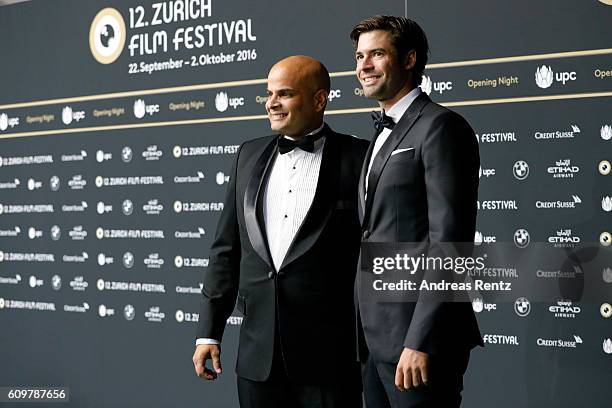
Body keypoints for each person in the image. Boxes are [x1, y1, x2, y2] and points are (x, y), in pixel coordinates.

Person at [192, 55, 368, 408]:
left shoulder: (360, 157)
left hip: (330, 360)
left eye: (284, 94)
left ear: (319, 100)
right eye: (268, 93)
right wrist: (209, 331)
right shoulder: (247, 155)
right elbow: (226, 249)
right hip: (258, 361)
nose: (271, 103)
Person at [350, 16, 483, 407]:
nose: (364, 66)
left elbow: (450, 243)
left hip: (418, 343)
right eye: (359, 56)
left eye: (377, 53)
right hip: (374, 340)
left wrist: (419, 340)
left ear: (409, 60)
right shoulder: (382, 130)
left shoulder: (441, 127)